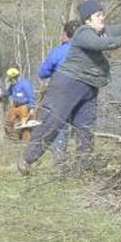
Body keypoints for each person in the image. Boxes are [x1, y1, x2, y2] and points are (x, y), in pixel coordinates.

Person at [18, 0, 121, 175]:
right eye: (98, 15)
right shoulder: (83, 33)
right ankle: (27, 159)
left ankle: (84, 167)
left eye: (103, 14)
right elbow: (100, 45)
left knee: (85, 126)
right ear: (88, 19)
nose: (102, 17)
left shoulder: (103, 32)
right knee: (53, 123)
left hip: (89, 87)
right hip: (68, 85)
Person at [36, 19, 82, 167]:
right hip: (84, 93)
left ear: (65, 35)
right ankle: (84, 161)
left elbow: (42, 73)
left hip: (62, 94)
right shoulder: (88, 50)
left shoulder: (58, 51)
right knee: (84, 126)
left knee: (60, 125)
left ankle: (60, 163)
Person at [3, 67, 36, 140]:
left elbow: (30, 96)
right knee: (9, 123)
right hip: (15, 106)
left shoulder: (25, 84)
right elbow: (8, 93)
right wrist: (0, 95)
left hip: (24, 106)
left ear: (15, 77)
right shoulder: (13, 85)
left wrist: (31, 107)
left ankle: (26, 142)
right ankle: (14, 139)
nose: (10, 80)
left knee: (25, 126)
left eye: (11, 78)